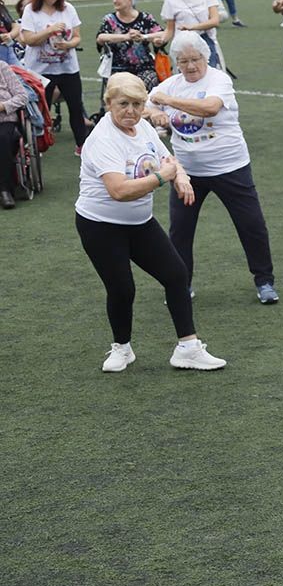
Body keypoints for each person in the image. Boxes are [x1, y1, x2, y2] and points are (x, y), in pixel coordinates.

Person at [75, 72, 226, 373]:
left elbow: (169, 160)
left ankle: (188, 348)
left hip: (140, 222)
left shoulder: (142, 126)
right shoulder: (103, 139)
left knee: (176, 274)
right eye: (123, 104)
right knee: (122, 289)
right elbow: (118, 191)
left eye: (137, 104)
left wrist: (180, 177)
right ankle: (122, 348)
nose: (131, 111)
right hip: (101, 225)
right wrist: (162, 178)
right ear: (108, 104)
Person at [141, 32, 277, 304]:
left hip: (230, 167)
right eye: (183, 61)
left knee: (251, 226)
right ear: (176, 62)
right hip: (186, 173)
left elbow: (210, 108)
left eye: (195, 59)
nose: (190, 66)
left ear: (206, 57)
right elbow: (146, 104)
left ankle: (264, 281)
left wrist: (167, 103)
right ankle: (181, 285)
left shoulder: (219, 79)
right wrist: (154, 112)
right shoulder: (171, 84)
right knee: (180, 230)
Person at [20, 0, 86, 153]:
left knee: (76, 108)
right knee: (41, 110)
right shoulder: (31, 11)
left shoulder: (68, 9)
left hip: (68, 68)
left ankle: (82, 145)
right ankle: (36, 147)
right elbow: (29, 40)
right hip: (40, 71)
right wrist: (49, 30)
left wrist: (68, 44)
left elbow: (77, 37)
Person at [95, 0, 167, 93]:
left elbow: (162, 33)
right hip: (117, 68)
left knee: (149, 81)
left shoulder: (145, 18)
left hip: (144, 67)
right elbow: (101, 37)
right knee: (120, 90)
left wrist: (143, 36)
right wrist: (126, 37)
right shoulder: (109, 19)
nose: (115, 1)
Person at [161, 0, 222, 69]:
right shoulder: (171, 0)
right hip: (182, 43)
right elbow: (170, 29)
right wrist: (161, 40)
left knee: (208, 73)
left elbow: (215, 21)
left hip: (204, 40)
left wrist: (192, 27)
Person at [0, 59, 31, 209]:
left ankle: (5, 190)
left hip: (5, 119)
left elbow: (23, 96)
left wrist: (4, 106)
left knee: (3, 138)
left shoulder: (2, 67)